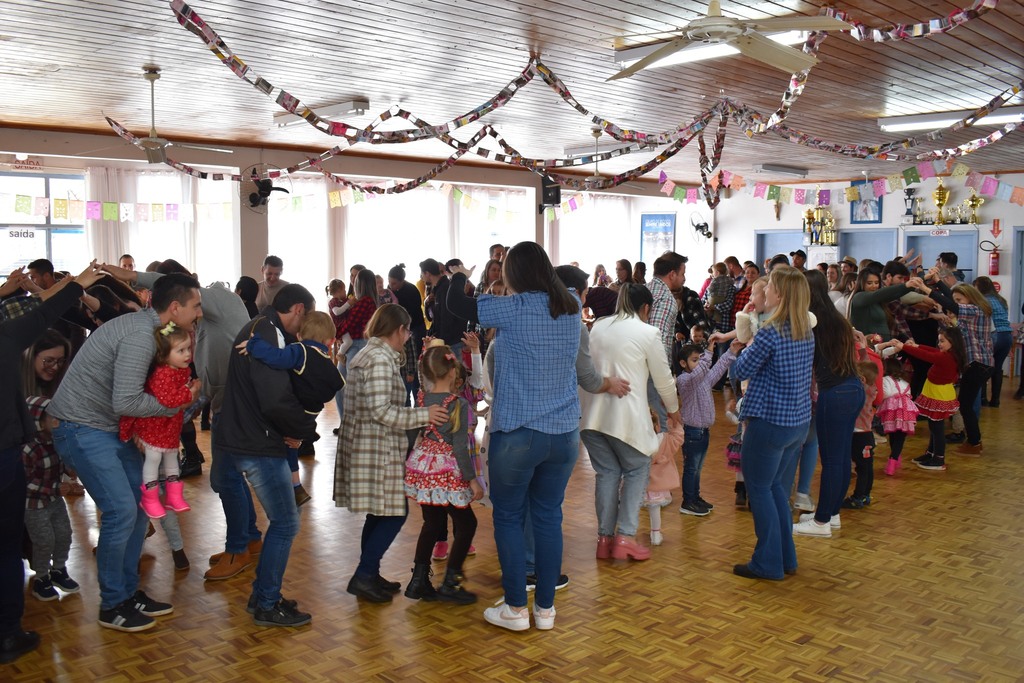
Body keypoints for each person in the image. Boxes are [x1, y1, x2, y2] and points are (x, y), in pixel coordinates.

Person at [49, 271, 201, 632]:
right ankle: (112, 603)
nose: (199, 313)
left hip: (107, 427)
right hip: (80, 427)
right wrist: (179, 404)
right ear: (175, 307)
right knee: (120, 509)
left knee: (138, 504)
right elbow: (127, 400)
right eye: (195, 306)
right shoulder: (139, 335)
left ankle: (127, 591)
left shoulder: (160, 330)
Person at [1, 263, 104, 660]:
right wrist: (76, 284)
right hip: (5, 457)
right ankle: (8, 633)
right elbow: (41, 315)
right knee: (7, 550)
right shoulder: (5, 336)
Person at [210, 283, 318, 626]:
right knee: (286, 523)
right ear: (298, 309)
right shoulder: (268, 334)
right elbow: (274, 399)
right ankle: (267, 603)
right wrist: (303, 430)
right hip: (257, 441)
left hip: (244, 434)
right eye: (307, 316)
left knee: (283, 522)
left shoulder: (260, 328)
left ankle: (262, 597)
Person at [334, 304, 446, 603]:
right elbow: (381, 410)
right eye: (408, 330)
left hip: (371, 444)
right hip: (376, 446)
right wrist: (424, 415)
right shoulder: (379, 360)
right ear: (398, 329)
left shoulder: (374, 354)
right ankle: (364, 575)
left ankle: (369, 573)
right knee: (396, 512)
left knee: (380, 511)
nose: (408, 337)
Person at [582, 284, 681, 563]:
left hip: (591, 417)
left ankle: (605, 540)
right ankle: (625, 536)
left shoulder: (599, 325)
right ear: (646, 308)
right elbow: (663, 379)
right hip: (624, 419)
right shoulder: (648, 332)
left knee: (608, 473)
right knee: (638, 468)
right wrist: (673, 410)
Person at [731, 267, 814, 580]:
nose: (764, 292)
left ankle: (767, 562)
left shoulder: (770, 332)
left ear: (779, 294)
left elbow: (741, 370)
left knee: (761, 490)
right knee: (777, 488)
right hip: (797, 421)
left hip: (769, 420)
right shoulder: (806, 329)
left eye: (769, 289)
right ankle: (784, 557)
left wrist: (735, 351)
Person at [237, 311, 344, 507]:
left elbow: (277, 357)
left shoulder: (300, 351)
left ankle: (286, 487)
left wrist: (255, 344)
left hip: (293, 411)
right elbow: (336, 386)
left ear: (299, 336)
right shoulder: (327, 363)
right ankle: (296, 487)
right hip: (310, 415)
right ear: (331, 341)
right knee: (291, 445)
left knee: (279, 442)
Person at [403, 345, 483, 604]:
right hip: (447, 471)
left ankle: (418, 580)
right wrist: (472, 479)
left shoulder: (422, 398)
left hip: (424, 467)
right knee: (467, 523)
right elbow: (460, 446)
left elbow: (412, 432)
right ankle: (450, 581)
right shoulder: (457, 403)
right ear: (452, 373)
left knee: (433, 523)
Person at [793, 270, 863, 539]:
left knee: (833, 460)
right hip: (851, 389)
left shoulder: (812, 320)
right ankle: (831, 514)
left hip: (835, 393)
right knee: (841, 457)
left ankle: (821, 522)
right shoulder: (834, 316)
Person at [119, 323, 198, 518]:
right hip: (154, 425)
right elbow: (169, 400)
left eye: (188, 348)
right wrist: (190, 392)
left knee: (171, 456)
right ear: (163, 355)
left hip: (169, 426)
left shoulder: (180, 370)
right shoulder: (162, 373)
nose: (187, 354)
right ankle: (150, 497)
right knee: (154, 458)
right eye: (181, 350)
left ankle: (173, 494)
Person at [915, 276, 993, 454]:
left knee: (965, 405)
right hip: (980, 364)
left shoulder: (975, 309)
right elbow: (952, 301)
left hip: (978, 364)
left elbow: (952, 304)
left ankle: (974, 443)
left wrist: (927, 289)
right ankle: (973, 441)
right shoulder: (974, 310)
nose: (956, 303)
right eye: (956, 299)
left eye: (960, 299)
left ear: (970, 298)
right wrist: (938, 281)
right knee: (965, 403)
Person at [22, 396, 81, 602]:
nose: (58, 421)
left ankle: (58, 570)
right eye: (53, 418)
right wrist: (56, 487)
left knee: (64, 533)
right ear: (38, 421)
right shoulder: (28, 448)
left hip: (55, 501)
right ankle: (41, 578)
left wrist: (69, 469)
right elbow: (26, 482)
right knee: (44, 540)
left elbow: (61, 460)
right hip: (35, 505)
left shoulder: (56, 441)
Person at [675, 339, 741, 516]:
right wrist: (708, 354)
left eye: (699, 359)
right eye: (694, 360)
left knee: (697, 468)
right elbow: (700, 373)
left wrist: (731, 352)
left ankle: (695, 498)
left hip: (703, 432)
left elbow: (718, 370)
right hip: (692, 432)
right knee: (691, 468)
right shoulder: (685, 380)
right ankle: (687, 502)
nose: (699, 363)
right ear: (683, 363)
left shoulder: (701, 379)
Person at [891, 328, 966, 471]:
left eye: (942, 341)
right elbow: (931, 351)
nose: (939, 344)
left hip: (939, 394)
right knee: (933, 426)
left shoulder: (947, 357)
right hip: (934, 392)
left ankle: (939, 458)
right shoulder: (947, 354)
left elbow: (926, 355)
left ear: (953, 342)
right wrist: (916, 345)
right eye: (939, 340)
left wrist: (905, 347)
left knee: (937, 428)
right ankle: (931, 453)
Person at [843, 361, 879, 509]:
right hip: (867, 435)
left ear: (862, 380)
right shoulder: (872, 389)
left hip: (858, 436)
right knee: (867, 467)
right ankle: (865, 495)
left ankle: (857, 497)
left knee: (861, 468)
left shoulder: (860, 392)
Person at [875, 355, 918, 476]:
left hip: (892, 410)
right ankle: (895, 457)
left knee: (893, 434)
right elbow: (909, 393)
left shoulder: (885, 380)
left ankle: (893, 460)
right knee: (900, 436)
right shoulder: (905, 381)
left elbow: (886, 393)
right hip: (906, 411)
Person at [972, 276, 1011, 407]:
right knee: (997, 368)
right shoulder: (1001, 300)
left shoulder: (982, 301)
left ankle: (982, 399)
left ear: (980, 288)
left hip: (994, 336)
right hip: (1007, 336)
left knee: (983, 367)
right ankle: (995, 400)